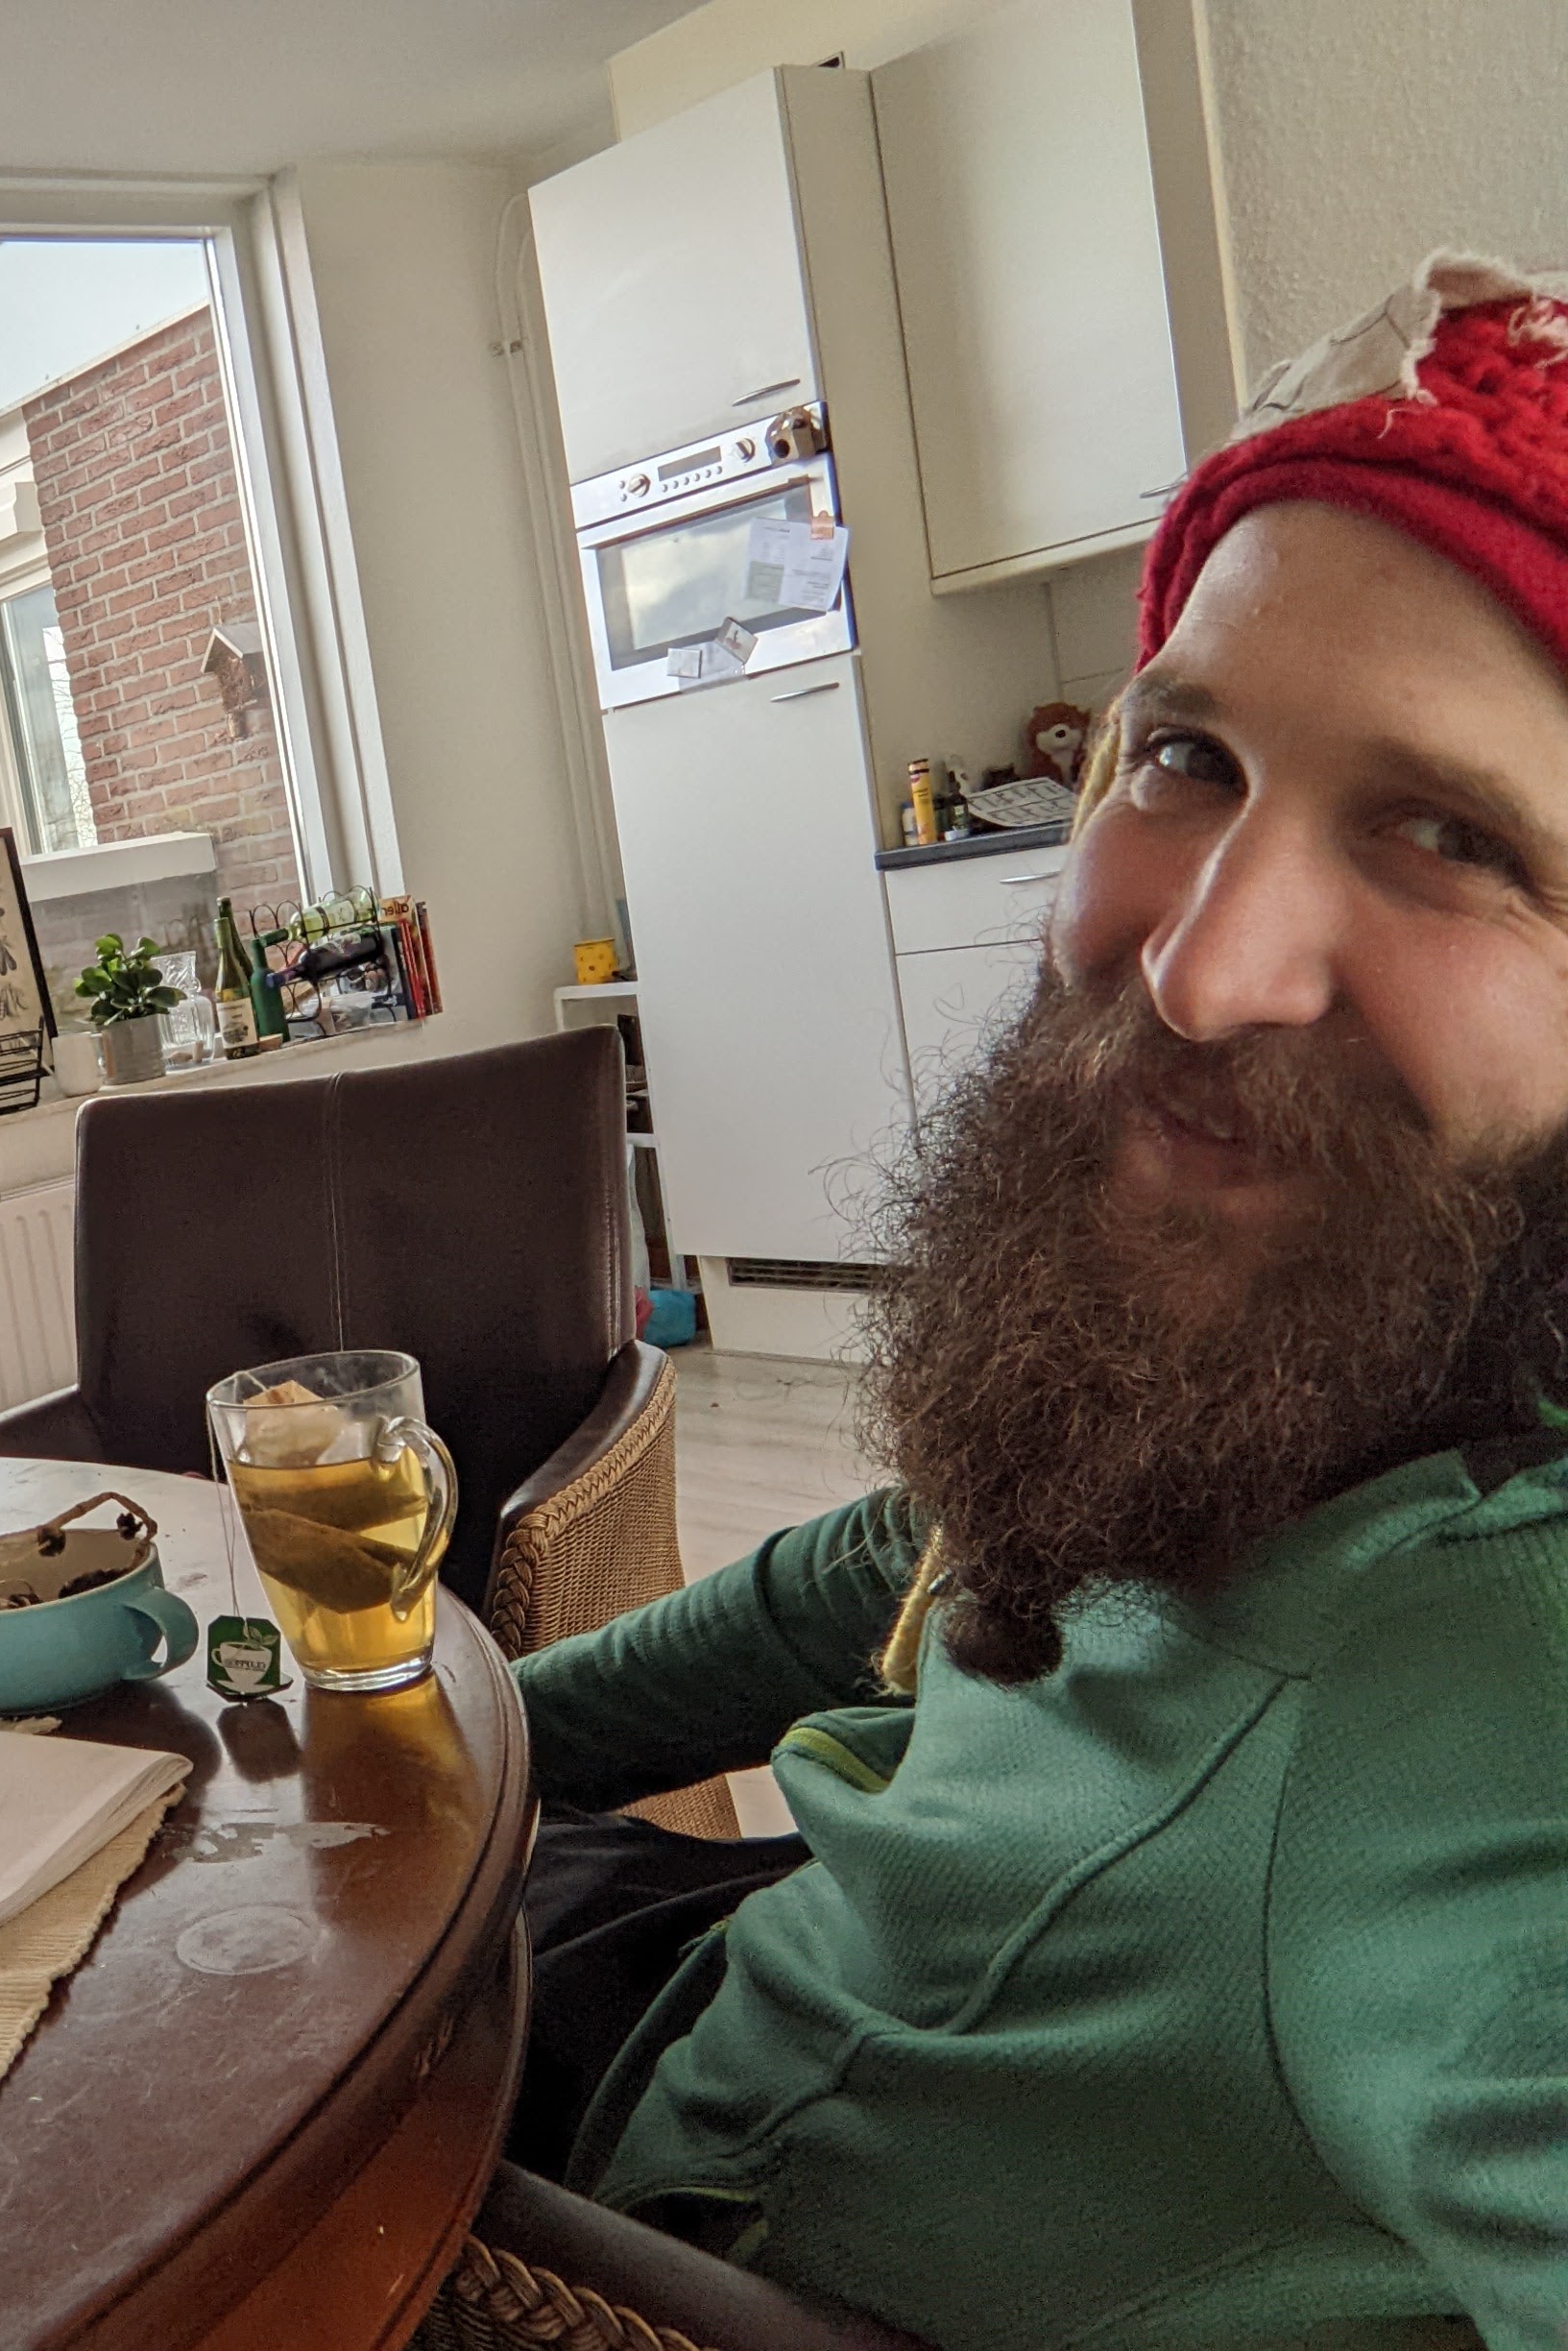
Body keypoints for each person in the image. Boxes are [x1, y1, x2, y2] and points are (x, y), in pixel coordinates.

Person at [509, 256, 1568, 2351]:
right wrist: (448, 1743)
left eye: (1447, 834)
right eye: (1186, 757)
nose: (1194, 966)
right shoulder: (1319, 1364)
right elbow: (927, 1561)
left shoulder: (1478, 1754)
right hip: (708, 1951)